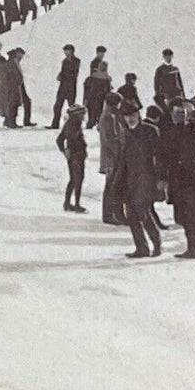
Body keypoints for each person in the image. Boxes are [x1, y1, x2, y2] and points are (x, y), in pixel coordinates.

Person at [160, 100, 195, 258]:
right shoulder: (168, 132)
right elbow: (164, 157)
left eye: (181, 114)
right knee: (181, 216)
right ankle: (193, 246)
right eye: (175, 114)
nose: (178, 117)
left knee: (193, 215)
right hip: (176, 179)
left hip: (192, 179)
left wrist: (193, 110)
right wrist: (162, 177)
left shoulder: (192, 128)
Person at [116, 103, 162, 258]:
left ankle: (156, 242)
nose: (130, 119)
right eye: (127, 116)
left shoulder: (150, 131)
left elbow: (159, 156)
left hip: (146, 179)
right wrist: (117, 180)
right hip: (129, 180)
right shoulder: (123, 133)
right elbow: (122, 159)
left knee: (143, 211)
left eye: (133, 115)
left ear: (138, 115)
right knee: (131, 215)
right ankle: (141, 248)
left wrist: (160, 178)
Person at [97, 92, 126, 225]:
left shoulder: (111, 115)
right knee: (111, 186)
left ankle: (117, 214)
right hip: (111, 157)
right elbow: (110, 139)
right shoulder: (109, 117)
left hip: (112, 156)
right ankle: (109, 214)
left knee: (116, 185)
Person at [57, 103, 88, 213]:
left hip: (73, 156)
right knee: (78, 180)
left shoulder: (69, 123)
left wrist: (64, 151)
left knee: (73, 180)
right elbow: (70, 139)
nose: (84, 116)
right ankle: (76, 203)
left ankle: (67, 202)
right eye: (82, 114)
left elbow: (59, 139)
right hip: (77, 156)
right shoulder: (75, 125)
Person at [0, 47, 31, 128]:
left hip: (13, 87)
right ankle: (12, 122)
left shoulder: (8, 64)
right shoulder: (13, 63)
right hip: (14, 87)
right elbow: (17, 76)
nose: (21, 57)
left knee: (15, 103)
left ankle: (9, 121)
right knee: (14, 104)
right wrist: (18, 82)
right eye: (20, 55)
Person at [52, 45, 80, 129]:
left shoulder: (76, 61)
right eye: (65, 51)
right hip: (63, 87)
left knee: (72, 107)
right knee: (57, 106)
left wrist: (63, 75)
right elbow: (64, 71)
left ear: (71, 51)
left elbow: (74, 73)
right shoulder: (64, 61)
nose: (65, 53)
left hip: (71, 87)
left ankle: (74, 125)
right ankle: (55, 125)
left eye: (67, 51)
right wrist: (60, 75)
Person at [83, 57, 111, 129]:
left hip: (91, 97)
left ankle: (91, 123)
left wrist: (85, 99)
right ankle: (96, 123)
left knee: (91, 112)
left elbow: (86, 87)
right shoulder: (106, 79)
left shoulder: (91, 77)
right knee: (98, 112)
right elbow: (108, 91)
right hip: (99, 98)